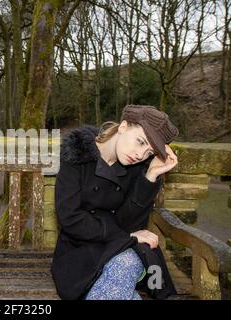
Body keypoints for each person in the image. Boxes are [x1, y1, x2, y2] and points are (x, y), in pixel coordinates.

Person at [51, 104, 179, 300]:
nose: (140, 154)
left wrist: (151, 175)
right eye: (140, 142)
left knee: (126, 263)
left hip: (125, 250)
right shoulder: (76, 155)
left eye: (149, 152)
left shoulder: (138, 168)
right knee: (124, 273)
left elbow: (131, 224)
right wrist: (128, 236)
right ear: (124, 126)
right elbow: (70, 219)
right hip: (79, 253)